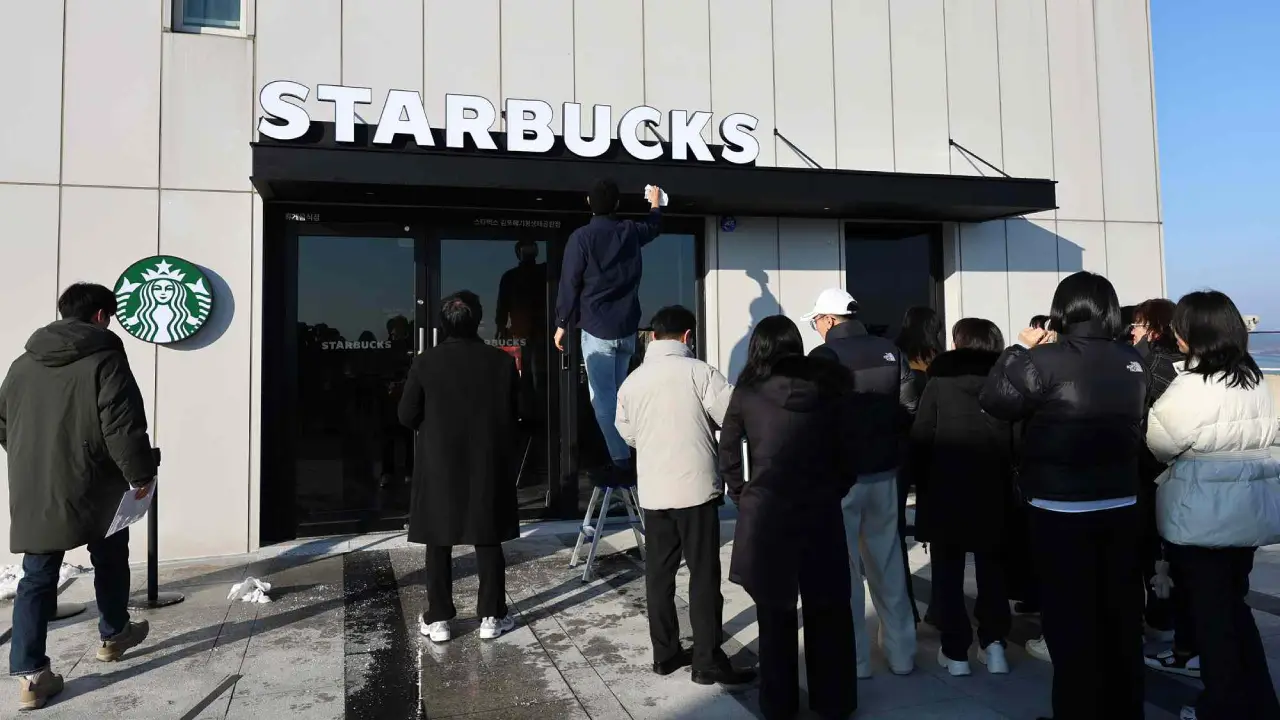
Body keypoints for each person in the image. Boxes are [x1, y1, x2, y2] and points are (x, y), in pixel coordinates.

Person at [979, 271, 1148, 720]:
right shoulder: (1131, 360)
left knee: (1070, 622)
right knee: (1120, 619)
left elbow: (995, 401)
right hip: (1121, 502)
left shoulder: (1045, 359)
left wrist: (1018, 349)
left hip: (1060, 507)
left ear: (1062, 309)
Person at [0, 283, 156, 710]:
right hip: (96, 479)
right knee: (110, 554)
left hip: (36, 483)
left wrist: (31, 457)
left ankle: (31, 676)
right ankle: (114, 634)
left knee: (36, 575)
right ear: (101, 316)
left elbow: (2, 422)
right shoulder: (105, 358)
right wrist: (141, 474)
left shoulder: (22, 364)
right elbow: (121, 425)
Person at [1146, 290, 1280, 720]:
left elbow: (1160, 442)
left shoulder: (1192, 385)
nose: (1176, 335)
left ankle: (1221, 708)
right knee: (1235, 610)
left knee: (1213, 620)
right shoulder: (1254, 378)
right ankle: (1259, 701)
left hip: (1200, 517)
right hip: (1247, 514)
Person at [719, 316, 858, 719]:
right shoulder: (829, 388)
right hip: (820, 511)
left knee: (775, 614)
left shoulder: (747, 392)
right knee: (829, 610)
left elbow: (728, 452)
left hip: (768, 515)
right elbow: (849, 451)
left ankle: (778, 705)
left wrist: (744, 494)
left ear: (758, 349)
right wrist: (835, 488)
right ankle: (834, 702)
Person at [613, 306, 753, 685]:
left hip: (654, 492)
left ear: (653, 336)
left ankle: (665, 654)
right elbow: (730, 416)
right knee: (703, 575)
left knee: (659, 575)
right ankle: (706, 660)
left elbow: (628, 433)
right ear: (688, 336)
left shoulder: (632, 382)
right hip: (696, 489)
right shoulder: (700, 372)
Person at [806, 288, 919, 678]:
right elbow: (909, 407)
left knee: (846, 570)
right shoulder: (890, 351)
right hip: (885, 472)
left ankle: (856, 661)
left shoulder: (823, 356)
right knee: (888, 562)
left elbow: (813, 419)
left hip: (841, 479)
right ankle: (902, 655)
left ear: (828, 319)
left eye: (816, 321)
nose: (816, 328)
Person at [399, 291, 521, 643]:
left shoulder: (426, 362)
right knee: (487, 536)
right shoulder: (500, 362)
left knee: (438, 538)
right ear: (478, 320)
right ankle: (492, 616)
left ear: (442, 324)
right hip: (486, 458)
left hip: (440, 460)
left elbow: (406, 414)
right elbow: (521, 411)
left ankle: (438, 618)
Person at [911, 318, 1014, 677]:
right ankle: (995, 645)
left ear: (959, 343)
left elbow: (922, 436)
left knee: (948, 572)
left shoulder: (939, 382)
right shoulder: (1005, 381)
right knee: (993, 570)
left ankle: (956, 653)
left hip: (946, 488)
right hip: (994, 489)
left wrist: (920, 483)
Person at [554, 180, 665, 479]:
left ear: (589, 203)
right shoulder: (629, 231)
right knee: (621, 397)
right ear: (616, 204)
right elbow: (654, 226)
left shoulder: (582, 238)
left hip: (597, 327)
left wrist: (562, 323)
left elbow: (570, 282)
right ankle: (630, 451)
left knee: (603, 399)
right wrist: (655, 203)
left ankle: (621, 460)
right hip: (627, 327)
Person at [1127, 299, 1188, 659]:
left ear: (1152, 328)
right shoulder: (1191, 365)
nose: (1132, 331)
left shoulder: (1146, 364)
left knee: (1140, 550)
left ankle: (1144, 621)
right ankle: (1166, 620)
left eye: (1136, 324)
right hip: (1181, 473)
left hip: (1146, 470)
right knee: (1170, 551)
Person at [894, 306, 943, 627]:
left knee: (895, 531)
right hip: (934, 452)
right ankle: (939, 604)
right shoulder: (940, 361)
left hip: (901, 451)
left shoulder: (895, 356)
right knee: (938, 531)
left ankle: (905, 608)